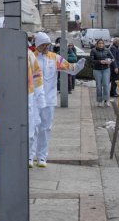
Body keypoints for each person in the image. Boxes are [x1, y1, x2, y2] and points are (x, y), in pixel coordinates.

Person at [31, 32, 83, 167]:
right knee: (32, 128)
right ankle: (29, 156)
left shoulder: (54, 58)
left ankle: (42, 157)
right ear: (38, 45)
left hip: (49, 99)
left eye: (47, 45)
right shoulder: (30, 58)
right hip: (33, 100)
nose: (46, 47)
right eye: (43, 45)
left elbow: (70, 69)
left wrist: (77, 67)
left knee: (45, 128)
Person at [90, 38, 113, 106]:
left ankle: (106, 100)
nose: (101, 44)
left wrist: (110, 61)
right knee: (99, 86)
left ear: (104, 44)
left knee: (106, 84)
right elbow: (91, 60)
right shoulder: (93, 50)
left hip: (106, 69)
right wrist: (100, 61)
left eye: (102, 43)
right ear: (97, 44)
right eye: (99, 43)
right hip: (97, 70)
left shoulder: (107, 50)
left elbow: (112, 58)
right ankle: (99, 100)